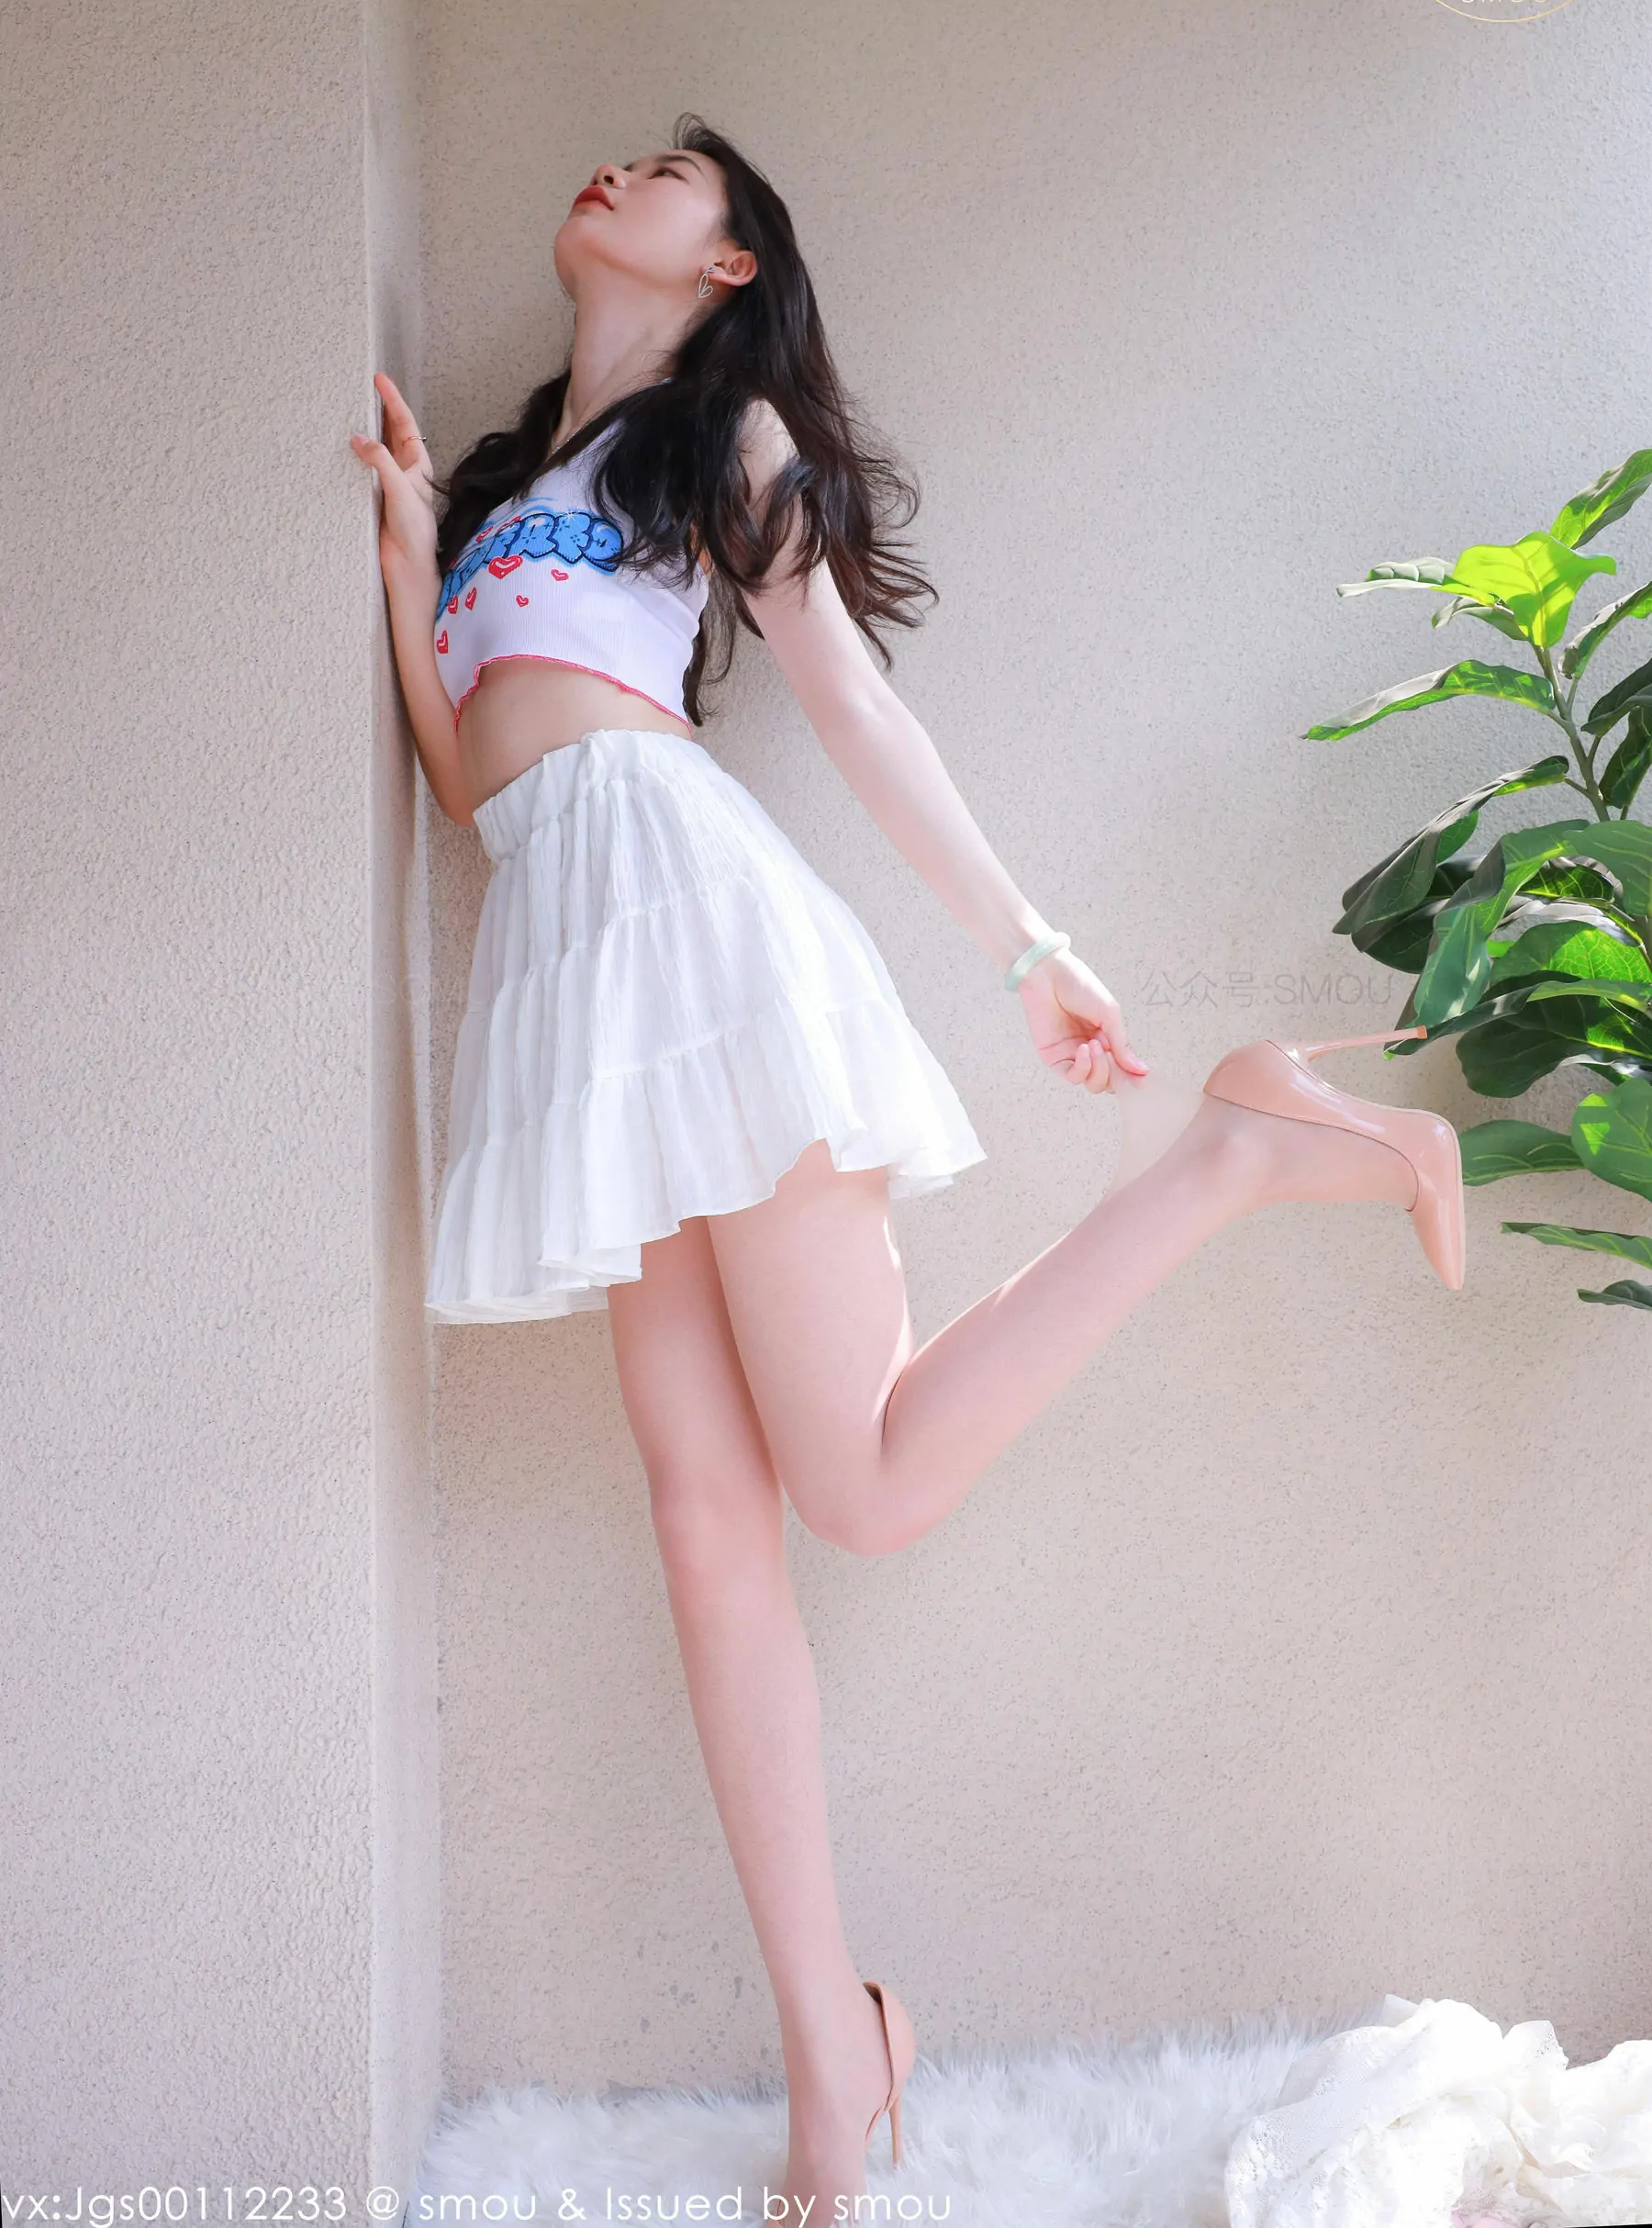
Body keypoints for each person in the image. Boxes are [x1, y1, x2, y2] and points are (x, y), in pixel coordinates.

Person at [352, 113, 1464, 2222]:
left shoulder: (721, 436)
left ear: (732, 264)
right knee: (705, 1527)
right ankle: (832, 2060)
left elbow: (851, 704)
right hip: (575, 965)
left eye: (665, 174)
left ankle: (1223, 1156)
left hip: (692, 928)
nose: (616, 176)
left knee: (854, 1488)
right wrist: (415, 558)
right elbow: (469, 773)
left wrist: (1030, 950)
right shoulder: (508, 494)